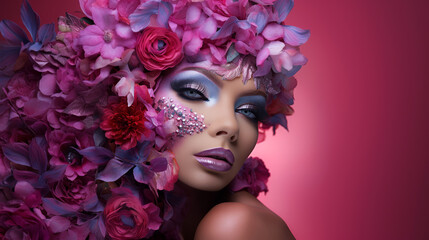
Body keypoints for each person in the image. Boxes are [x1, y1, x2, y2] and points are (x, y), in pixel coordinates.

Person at [0, 0, 309, 239]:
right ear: (129, 94)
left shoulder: (236, 227)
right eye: (194, 92)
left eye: (248, 111)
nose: (230, 126)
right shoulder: (127, 215)